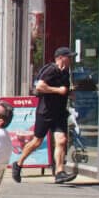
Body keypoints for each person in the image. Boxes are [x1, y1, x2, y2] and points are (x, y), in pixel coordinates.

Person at [13, 46, 73, 183]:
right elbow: (40, 86)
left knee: (62, 140)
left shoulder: (66, 73)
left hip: (59, 112)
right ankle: (19, 163)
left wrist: (70, 93)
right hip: (45, 112)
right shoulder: (51, 69)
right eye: (68, 57)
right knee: (37, 141)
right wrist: (59, 90)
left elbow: (65, 90)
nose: (70, 60)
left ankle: (59, 172)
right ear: (60, 58)